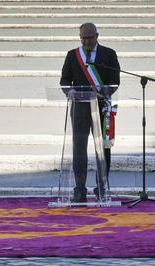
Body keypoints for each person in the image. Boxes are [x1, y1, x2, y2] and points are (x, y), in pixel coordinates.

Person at [59, 22, 120, 203]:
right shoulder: (72, 56)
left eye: (90, 38)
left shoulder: (109, 54)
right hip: (79, 108)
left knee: (104, 148)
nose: (86, 42)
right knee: (79, 148)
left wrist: (104, 93)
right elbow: (64, 81)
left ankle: (102, 187)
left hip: (101, 108)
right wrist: (68, 91)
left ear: (97, 36)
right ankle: (79, 189)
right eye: (83, 38)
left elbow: (115, 81)